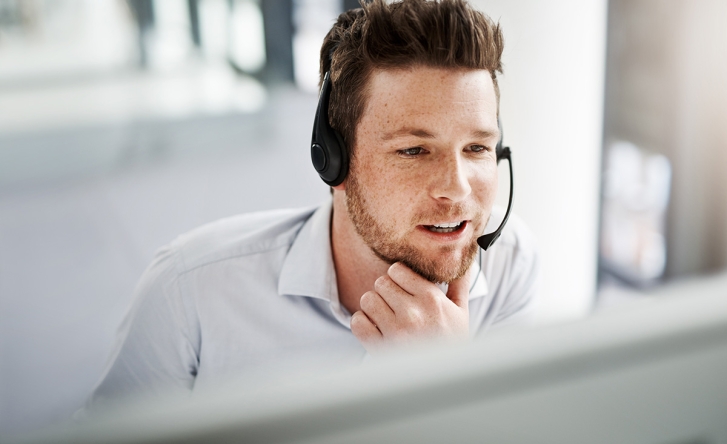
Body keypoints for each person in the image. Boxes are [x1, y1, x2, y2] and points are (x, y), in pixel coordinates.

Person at [87, 0, 538, 408]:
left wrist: (450, 382)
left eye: (477, 148)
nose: (457, 190)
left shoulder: (509, 265)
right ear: (333, 160)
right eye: (413, 151)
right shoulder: (190, 293)